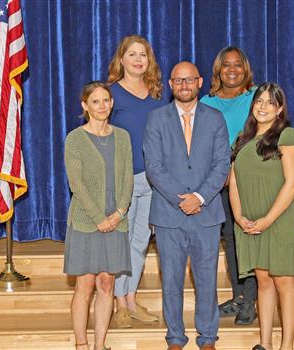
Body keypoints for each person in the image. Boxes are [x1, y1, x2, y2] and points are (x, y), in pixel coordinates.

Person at [143, 62, 230, 350]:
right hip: (169, 214)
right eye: (178, 81)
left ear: (200, 82)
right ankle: (175, 339)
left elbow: (221, 164)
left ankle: (207, 338)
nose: (184, 85)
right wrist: (182, 198)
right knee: (171, 281)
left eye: (189, 80)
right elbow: (154, 167)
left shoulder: (215, 118)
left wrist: (200, 198)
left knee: (207, 281)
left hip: (206, 213)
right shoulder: (156, 119)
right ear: (170, 84)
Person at [229, 82, 294, 350]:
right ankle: (265, 344)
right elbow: (234, 182)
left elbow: (293, 183)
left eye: (269, 102)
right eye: (258, 101)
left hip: (278, 220)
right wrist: (239, 217)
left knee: (284, 281)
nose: (262, 107)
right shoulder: (242, 138)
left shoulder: (288, 136)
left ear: (280, 108)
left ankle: (287, 346)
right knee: (263, 281)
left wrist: (268, 220)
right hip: (250, 222)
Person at [64, 81, 133, 350]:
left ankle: (100, 344)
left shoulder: (123, 137)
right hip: (85, 223)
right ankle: (81, 344)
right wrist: (98, 218)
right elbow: (76, 184)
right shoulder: (75, 139)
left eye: (106, 100)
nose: (102, 106)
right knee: (86, 285)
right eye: (95, 101)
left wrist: (119, 213)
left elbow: (128, 177)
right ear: (85, 106)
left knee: (107, 283)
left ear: (112, 103)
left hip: (116, 222)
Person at [107, 34, 165, 328]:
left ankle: (131, 299)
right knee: (121, 242)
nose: (138, 59)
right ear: (122, 59)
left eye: (143, 54)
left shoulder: (157, 94)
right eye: (132, 54)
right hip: (121, 181)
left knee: (141, 241)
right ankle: (119, 304)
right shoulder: (110, 93)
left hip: (151, 181)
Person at [200, 46, 258, 325]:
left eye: (237, 65)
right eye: (226, 65)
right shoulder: (207, 103)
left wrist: (234, 168)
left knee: (250, 236)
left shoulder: (256, 98)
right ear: (218, 71)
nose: (232, 70)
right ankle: (238, 296)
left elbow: (264, 138)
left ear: (245, 69)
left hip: (250, 180)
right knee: (231, 240)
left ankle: (251, 299)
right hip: (217, 182)